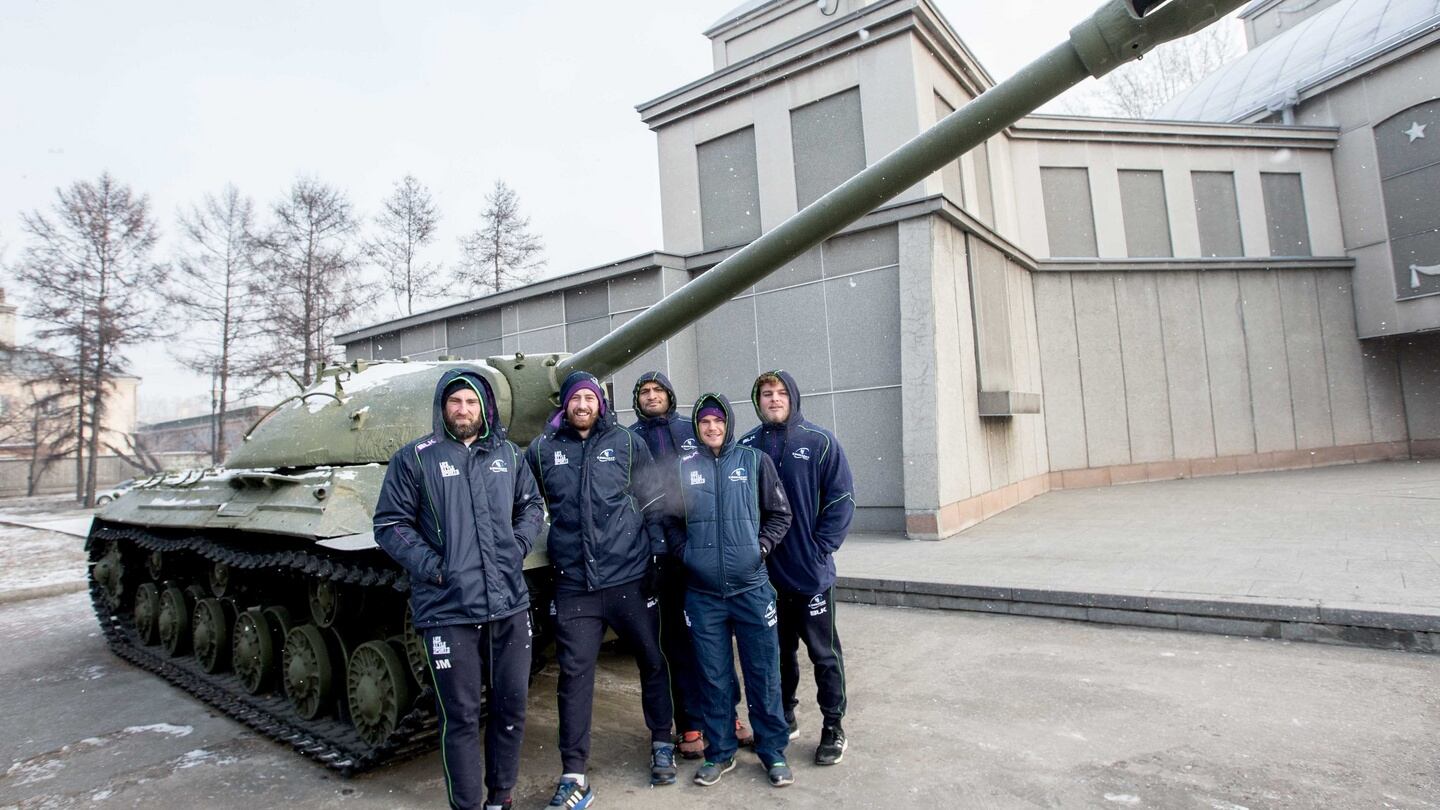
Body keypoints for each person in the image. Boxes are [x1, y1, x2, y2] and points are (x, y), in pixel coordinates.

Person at [373, 369, 545, 810]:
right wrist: (437, 569)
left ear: (484, 407)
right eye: (455, 402)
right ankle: (467, 805)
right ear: (442, 407)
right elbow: (390, 524)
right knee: (463, 717)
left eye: (471, 402)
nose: (463, 410)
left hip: (508, 602)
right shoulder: (415, 458)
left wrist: (519, 545)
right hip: (449, 608)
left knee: (511, 710)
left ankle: (500, 797)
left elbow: (530, 506)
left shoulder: (507, 453)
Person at [525, 371, 676, 809]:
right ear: (566, 405)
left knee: (652, 658)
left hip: (628, 578)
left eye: (591, 397)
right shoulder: (542, 450)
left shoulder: (627, 444)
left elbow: (652, 499)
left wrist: (656, 554)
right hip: (575, 586)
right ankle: (574, 774)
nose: (584, 405)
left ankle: (662, 740)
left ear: (601, 403)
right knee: (574, 678)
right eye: (576, 399)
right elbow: (527, 502)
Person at [665, 393, 795, 788]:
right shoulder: (684, 468)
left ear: (729, 423)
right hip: (703, 595)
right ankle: (720, 753)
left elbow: (780, 514)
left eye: (718, 421)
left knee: (763, 673)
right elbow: (669, 522)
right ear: (697, 427)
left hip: (751, 589)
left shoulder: (755, 462)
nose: (711, 428)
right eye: (704, 422)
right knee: (713, 676)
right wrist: (687, 554)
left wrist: (760, 549)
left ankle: (772, 752)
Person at [629, 372, 752, 759]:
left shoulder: (692, 428)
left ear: (670, 394)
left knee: (714, 639)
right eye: (644, 392)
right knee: (676, 646)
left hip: (701, 550)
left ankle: (728, 715)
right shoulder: (631, 439)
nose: (652, 397)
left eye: (658, 390)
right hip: (659, 556)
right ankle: (691, 724)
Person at [739, 370, 856, 766]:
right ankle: (783, 718)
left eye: (780, 392)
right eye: (766, 393)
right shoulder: (747, 448)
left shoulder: (819, 442)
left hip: (810, 576)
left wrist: (821, 547)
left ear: (793, 397)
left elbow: (842, 499)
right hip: (765, 579)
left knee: (824, 656)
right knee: (777, 656)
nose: (773, 399)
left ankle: (833, 726)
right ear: (758, 401)